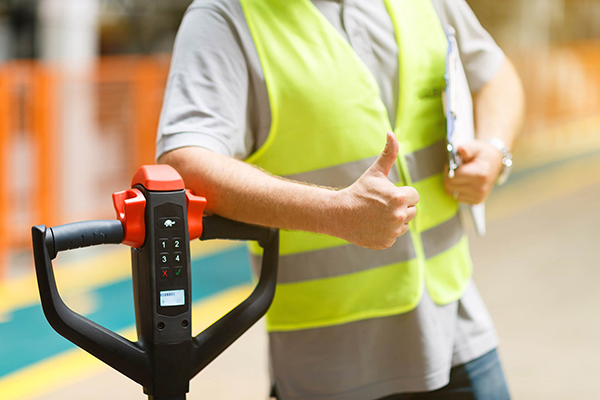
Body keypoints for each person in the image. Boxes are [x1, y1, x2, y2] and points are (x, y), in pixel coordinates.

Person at [157, 0, 525, 399]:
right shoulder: (226, 15)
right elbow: (187, 161)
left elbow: (495, 73)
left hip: (459, 333)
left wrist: (494, 149)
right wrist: (335, 213)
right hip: (332, 367)